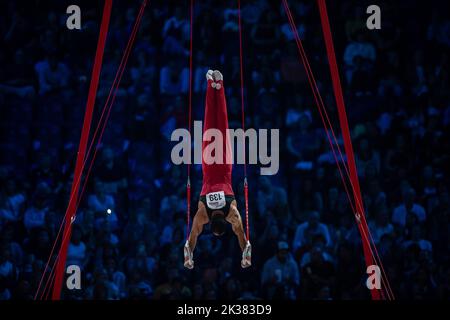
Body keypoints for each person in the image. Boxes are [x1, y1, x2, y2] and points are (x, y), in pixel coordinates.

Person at [183, 70, 251, 269]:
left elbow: (242, 236)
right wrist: (189, 256)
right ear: (211, 222)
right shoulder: (203, 214)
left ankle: (218, 85)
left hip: (225, 164)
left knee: (221, 123)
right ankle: (211, 85)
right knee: (209, 124)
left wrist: (246, 254)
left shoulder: (232, 213)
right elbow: (191, 238)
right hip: (208, 165)